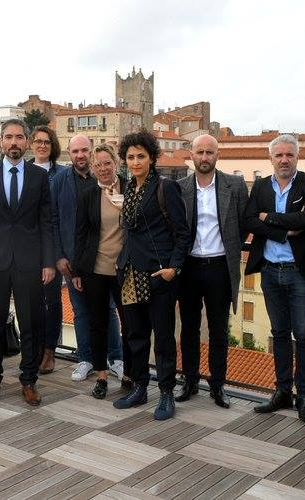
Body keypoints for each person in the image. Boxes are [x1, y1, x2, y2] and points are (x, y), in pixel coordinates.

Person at [0, 118, 54, 407]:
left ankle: (28, 380)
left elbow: (46, 221)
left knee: (31, 324)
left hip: (30, 261)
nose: (14, 142)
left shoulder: (39, 177)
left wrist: (48, 262)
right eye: (9, 137)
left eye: (19, 137)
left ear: (26, 142)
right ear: (1, 142)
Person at [112, 130, 190, 421]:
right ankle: (140, 387)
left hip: (159, 274)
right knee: (135, 334)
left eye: (140, 156)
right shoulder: (130, 188)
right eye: (130, 157)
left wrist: (174, 269)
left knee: (165, 338)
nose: (135, 162)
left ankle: (167, 394)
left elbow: (182, 233)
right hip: (131, 271)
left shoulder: (165, 188)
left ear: (152, 158)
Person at [244, 134, 305, 423]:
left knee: (303, 336)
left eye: (289, 155)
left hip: (300, 272)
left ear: (297, 157)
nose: (284, 160)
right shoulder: (262, 186)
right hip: (270, 270)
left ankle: (304, 397)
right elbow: (249, 220)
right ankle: (281, 392)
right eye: (279, 156)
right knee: (279, 334)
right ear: (271, 159)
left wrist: (269, 218)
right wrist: (282, 228)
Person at [176, 134, 248, 409]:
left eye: (210, 152)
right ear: (191, 155)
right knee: (189, 329)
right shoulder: (179, 187)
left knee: (219, 331)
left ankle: (218, 386)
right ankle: (190, 381)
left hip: (220, 267)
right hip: (189, 268)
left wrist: (229, 245)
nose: (204, 157)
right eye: (200, 152)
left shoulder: (236, 185)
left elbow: (244, 225)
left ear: (218, 155)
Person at [51, 135, 123, 382]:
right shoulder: (60, 180)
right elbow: (53, 219)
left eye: (84, 150)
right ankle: (86, 359)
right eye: (75, 151)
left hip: (105, 260)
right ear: (69, 154)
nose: (80, 155)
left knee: (109, 310)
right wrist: (59, 256)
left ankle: (115, 358)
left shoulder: (104, 179)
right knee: (81, 311)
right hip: (72, 261)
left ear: (91, 153)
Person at [72, 143, 132, 399]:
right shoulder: (87, 194)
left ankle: (129, 374)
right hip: (95, 269)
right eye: (98, 165)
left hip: (125, 269)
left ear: (116, 164)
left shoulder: (131, 189)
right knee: (97, 324)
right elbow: (81, 234)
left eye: (107, 163)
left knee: (130, 324)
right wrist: (76, 271)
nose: (103, 168)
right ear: (93, 168)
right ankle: (102, 377)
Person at [29, 125, 66, 374]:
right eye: (38, 141)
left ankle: (49, 351)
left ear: (53, 147)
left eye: (47, 142)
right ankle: (33, 348)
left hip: (51, 245)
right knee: (30, 301)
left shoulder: (62, 174)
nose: (42, 146)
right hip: (26, 247)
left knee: (51, 300)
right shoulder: (23, 171)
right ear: (31, 144)